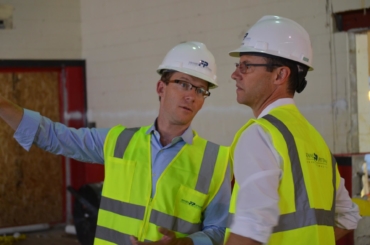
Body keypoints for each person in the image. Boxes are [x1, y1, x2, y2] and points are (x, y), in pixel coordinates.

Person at [0, 41, 230, 245]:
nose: (192, 95)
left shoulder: (216, 160)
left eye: (201, 90)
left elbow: (220, 231)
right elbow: (52, 136)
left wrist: (185, 244)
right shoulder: (118, 141)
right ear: (161, 88)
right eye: (184, 84)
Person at [224, 16, 361, 245]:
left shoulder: (260, 135)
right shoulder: (316, 141)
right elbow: (348, 216)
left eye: (246, 65)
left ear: (280, 75)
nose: (235, 74)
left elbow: (250, 230)